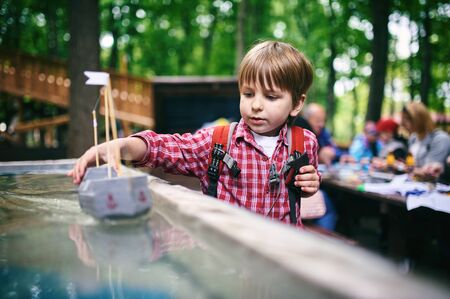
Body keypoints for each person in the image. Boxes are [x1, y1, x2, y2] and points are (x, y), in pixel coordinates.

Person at [69, 40, 320, 228]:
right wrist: (118, 147)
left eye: (271, 96)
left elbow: (304, 188)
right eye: (248, 93)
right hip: (223, 256)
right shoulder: (218, 142)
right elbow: (164, 148)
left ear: (297, 104)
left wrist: (310, 185)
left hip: (281, 257)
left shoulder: (305, 142)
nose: (256, 105)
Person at [294, 103, 339, 231]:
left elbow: (332, 149)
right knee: (327, 206)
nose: (322, 124)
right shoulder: (303, 128)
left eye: (323, 121)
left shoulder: (321, 133)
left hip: (305, 186)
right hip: (297, 189)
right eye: (318, 120)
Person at [401, 101, 450, 180]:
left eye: (407, 119)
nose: (403, 124)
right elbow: (411, 165)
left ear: (419, 119)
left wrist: (402, 167)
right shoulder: (413, 138)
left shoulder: (440, 139)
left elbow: (431, 172)